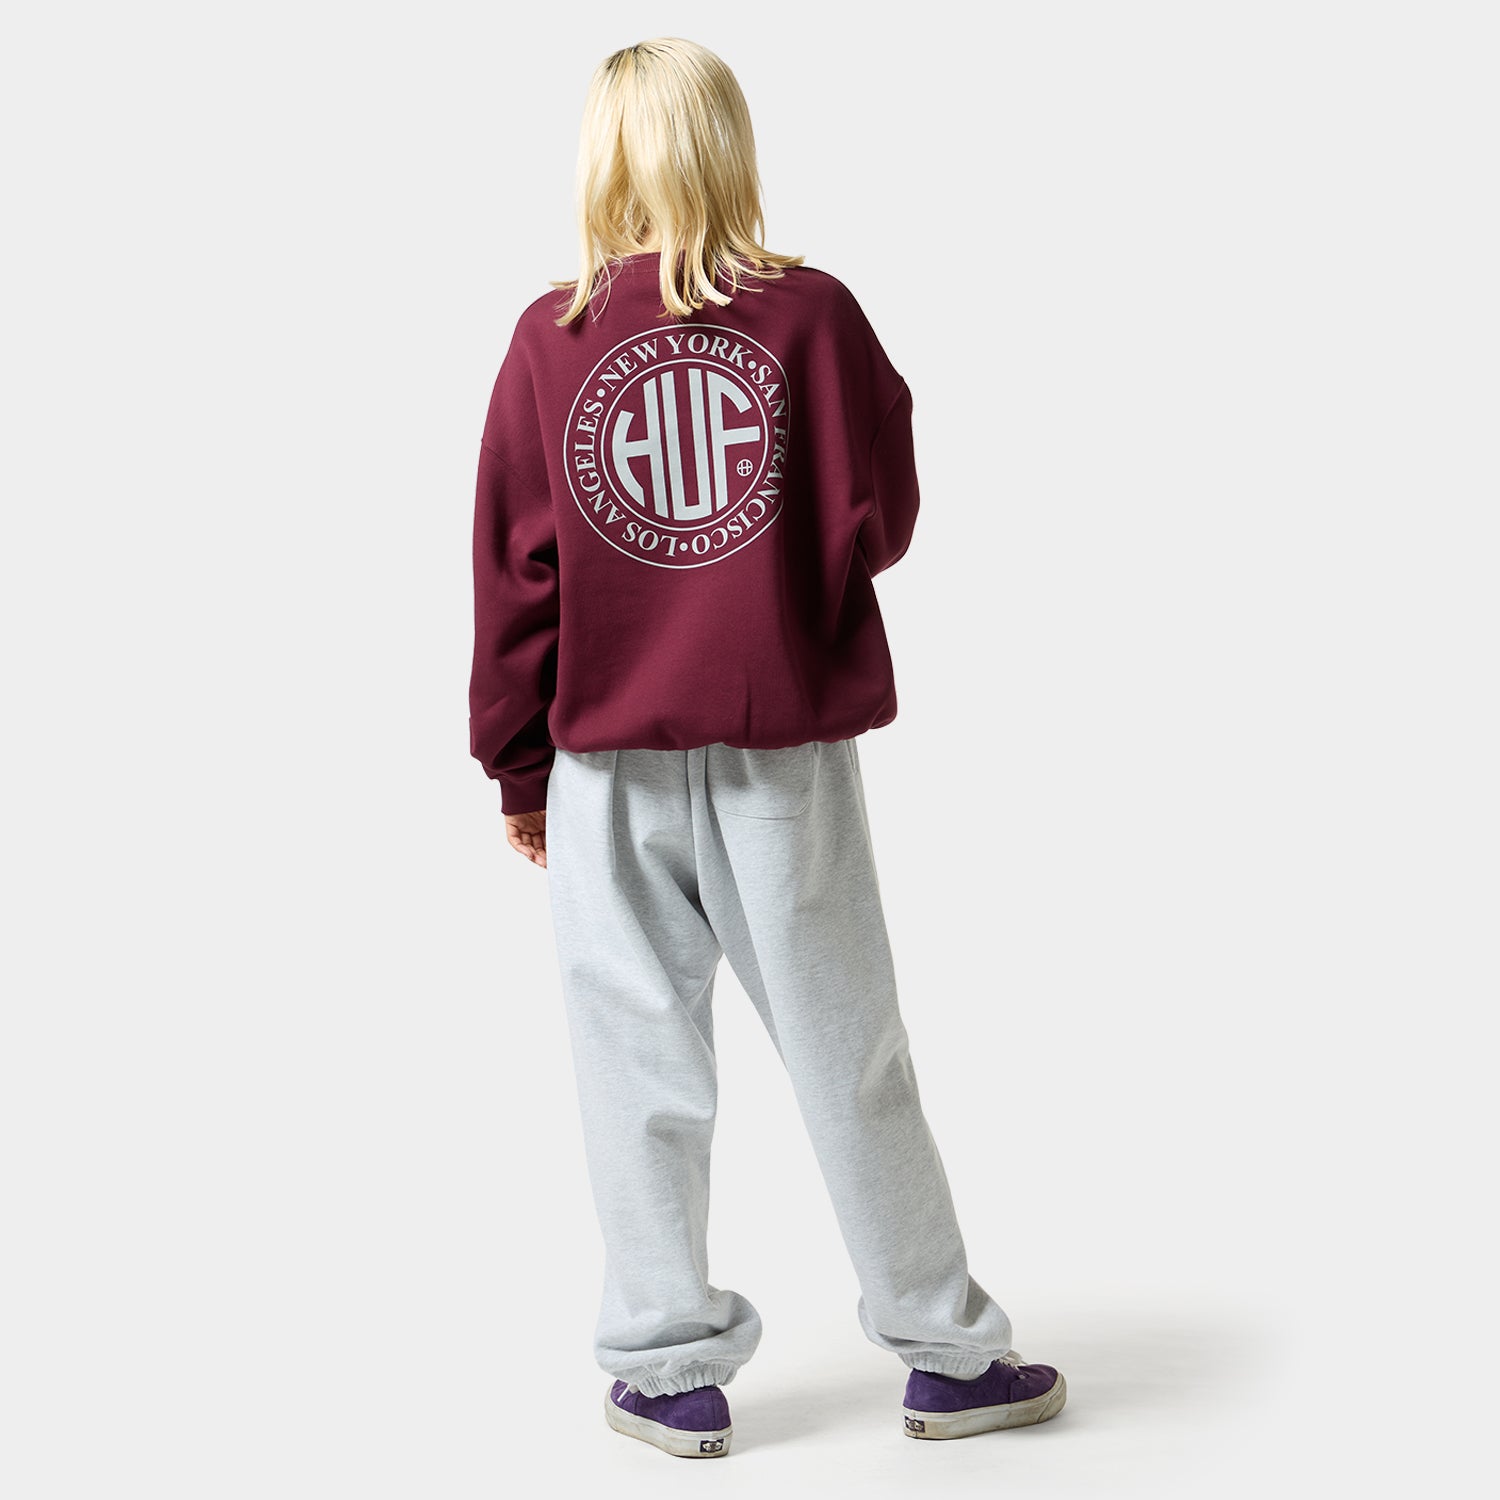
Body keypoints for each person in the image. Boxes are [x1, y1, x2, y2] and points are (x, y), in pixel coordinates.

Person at [468, 36, 1067, 1459]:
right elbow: (883, 518)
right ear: (730, 145)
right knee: (849, 1047)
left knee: (635, 1061)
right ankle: (946, 1354)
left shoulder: (551, 339)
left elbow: (513, 574)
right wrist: (776, 571)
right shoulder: (813, 317)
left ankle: (665, 1369)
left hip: (605, 761)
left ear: (603, 157)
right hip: (779, 753)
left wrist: (517, 764)